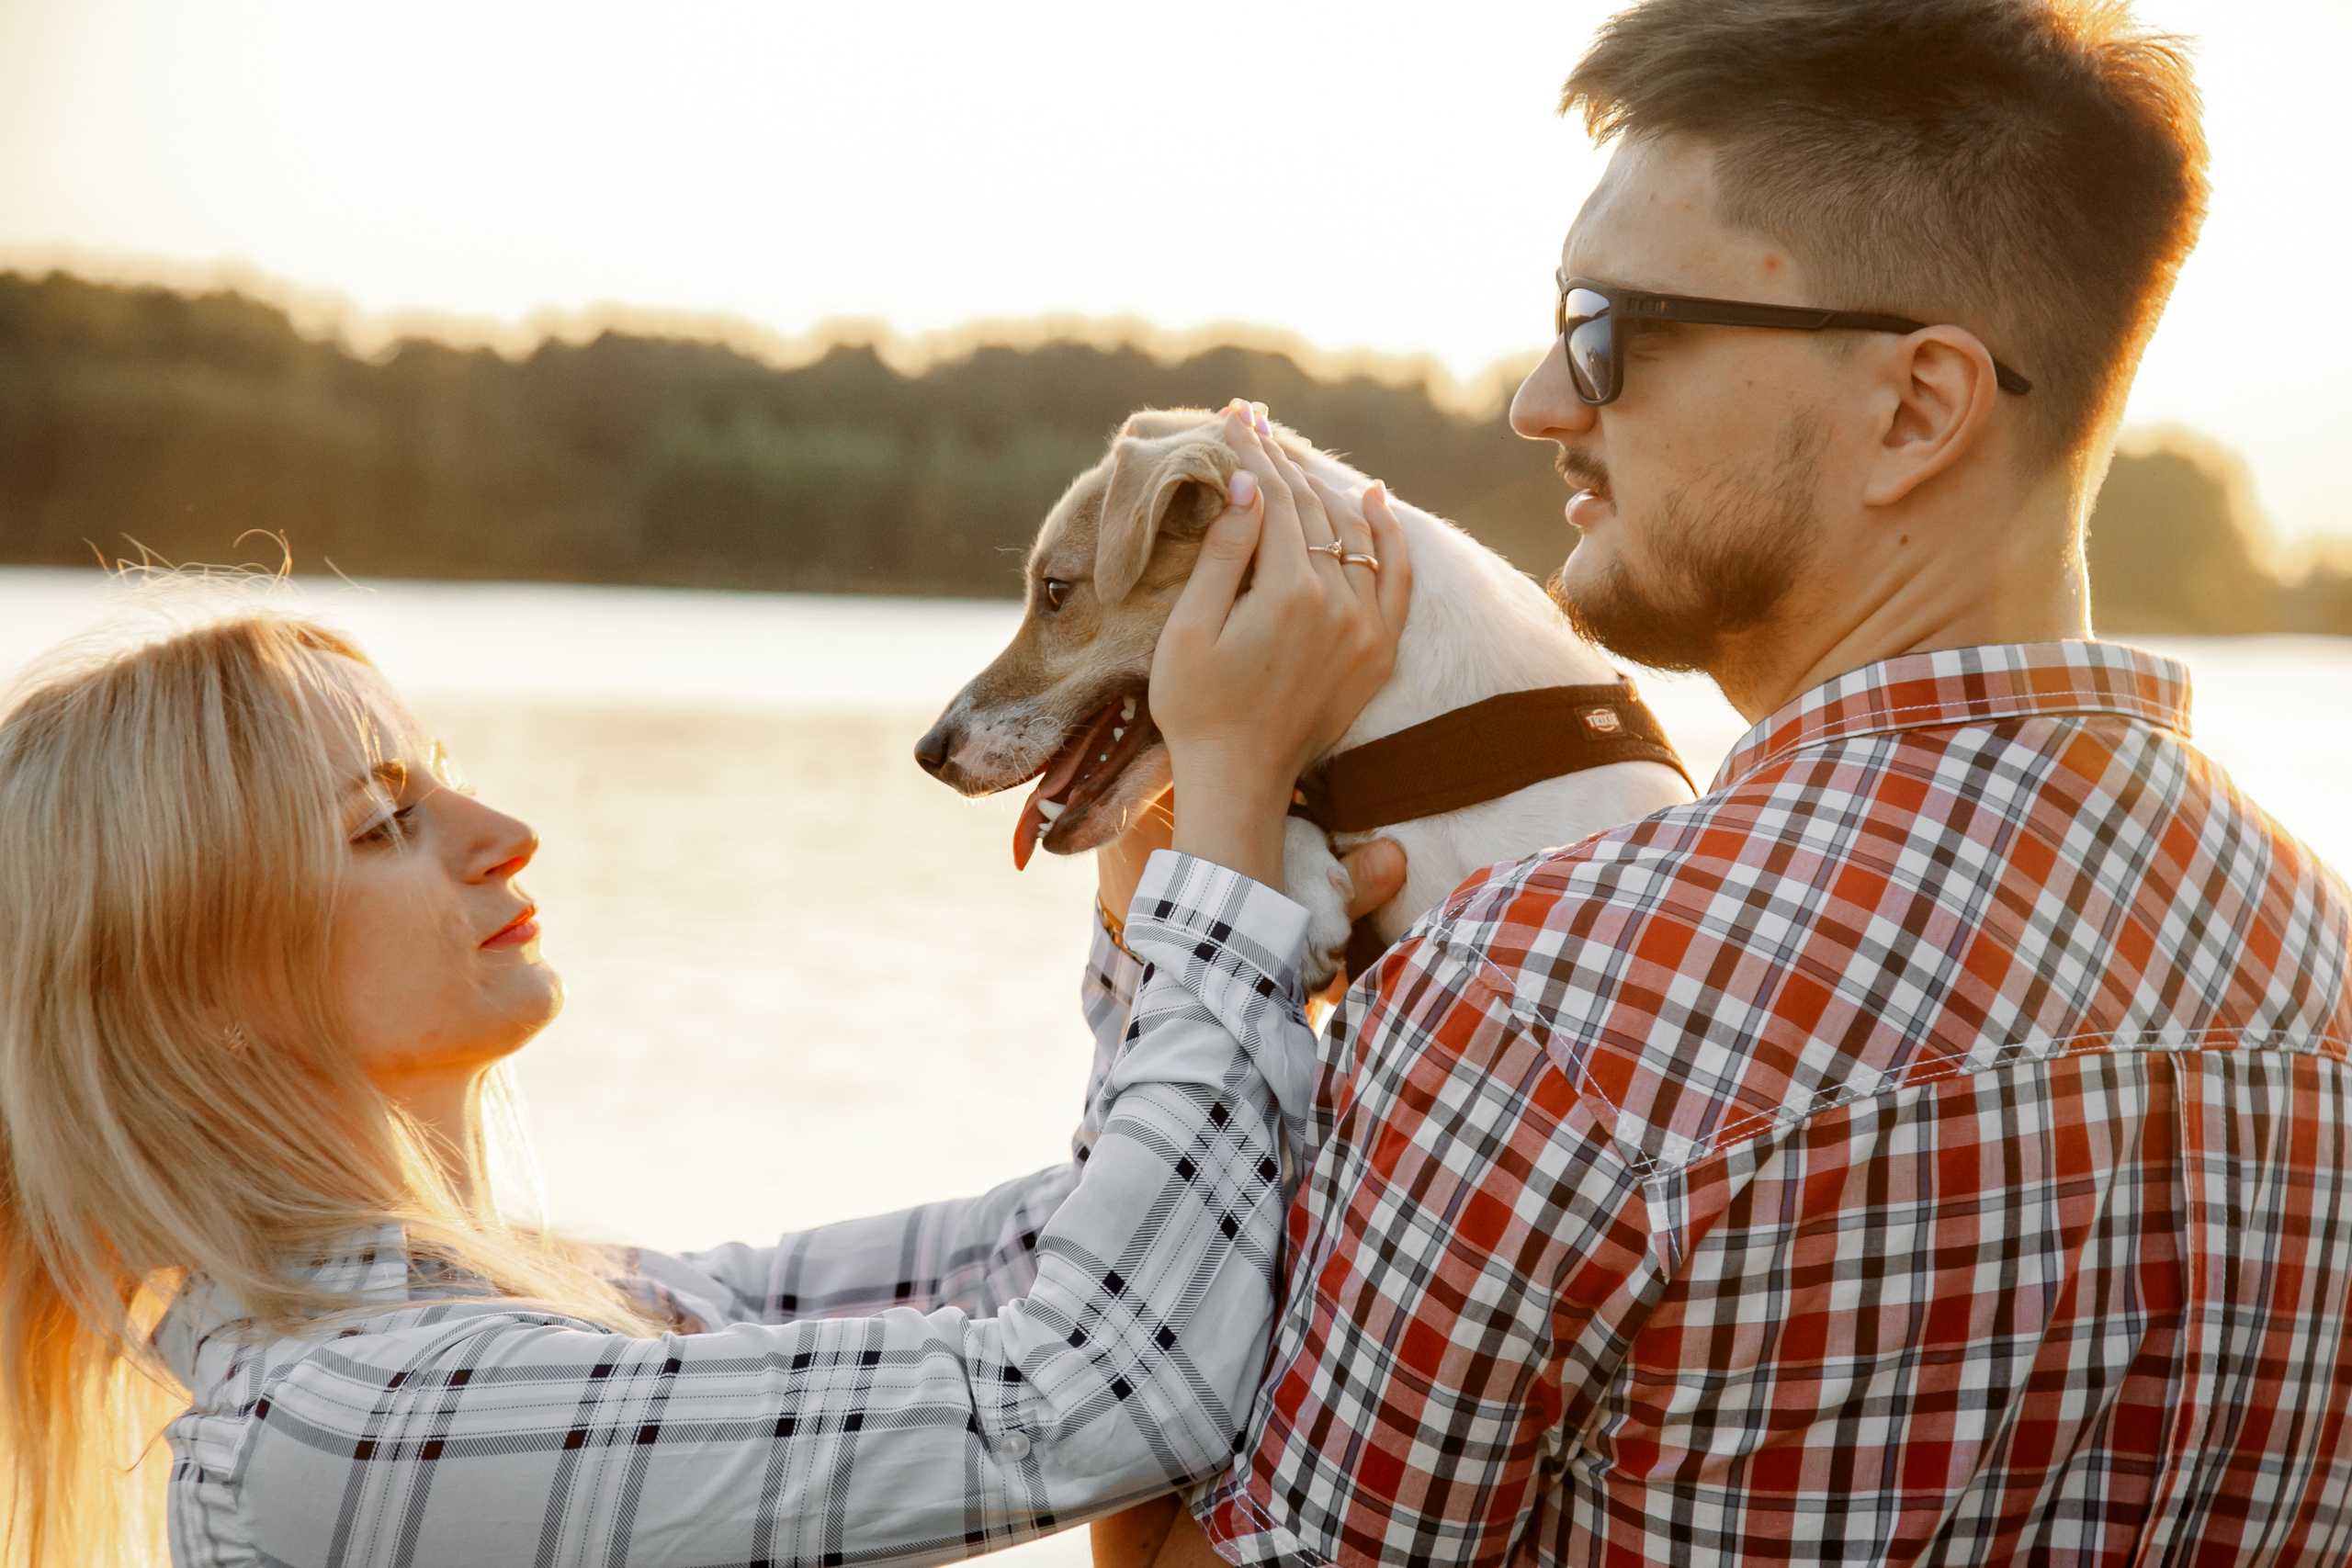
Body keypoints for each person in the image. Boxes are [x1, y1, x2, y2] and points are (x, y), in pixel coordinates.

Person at [1114, 1, 2352, 1564]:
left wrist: (1193, 915)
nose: (1543, 405)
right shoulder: (2326, 989)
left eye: (1609, 328)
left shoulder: (1537, 1007)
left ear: (1915, 409)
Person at [0, 409, 1410, 1567]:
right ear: (201, 998)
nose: (504, 833)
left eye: (443, 776)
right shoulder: (339, 1429)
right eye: (383, 823)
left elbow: (1069, 1258)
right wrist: (1229, 804)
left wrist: (1151, 845)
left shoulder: (534, 1310)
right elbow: (1091, 1389)